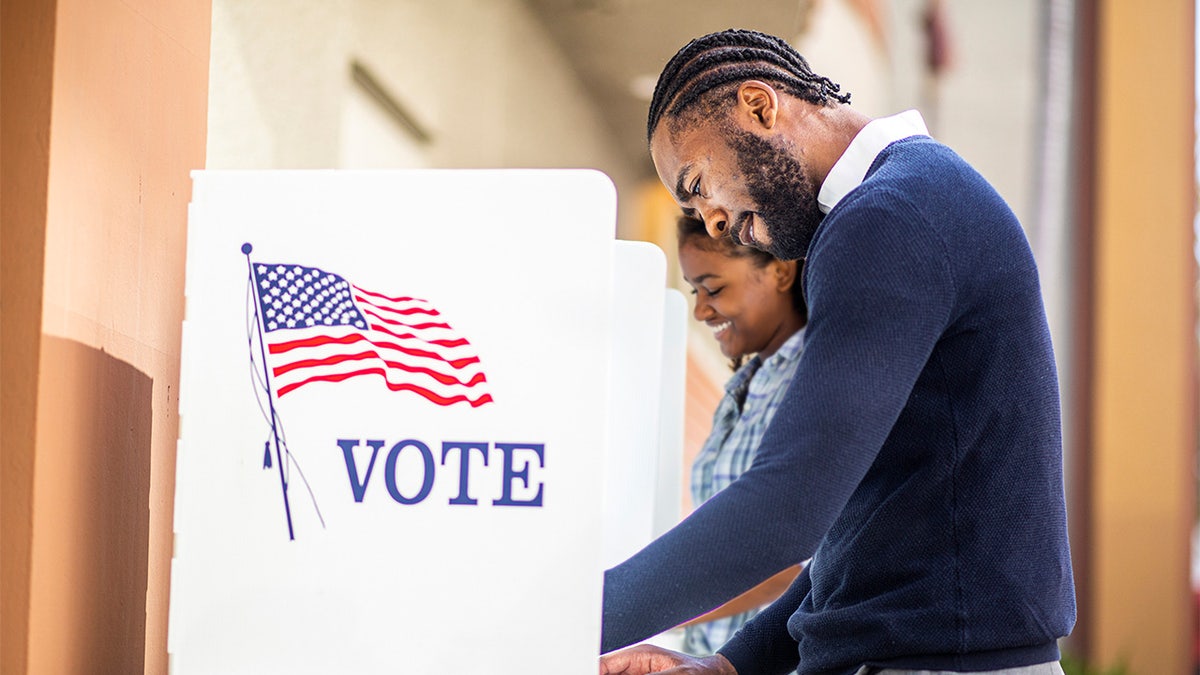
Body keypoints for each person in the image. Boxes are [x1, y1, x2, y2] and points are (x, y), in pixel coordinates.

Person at [599, 28, 1075, 675]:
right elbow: (863, 527)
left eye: (699, 183)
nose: (711, 220)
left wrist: (569, 614)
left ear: (760, 107)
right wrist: (728, 665)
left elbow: (788, 503)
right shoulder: (909, 201)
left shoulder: (890, 215)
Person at [674, 214, 807, 657]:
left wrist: (659, 608)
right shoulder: (748, 382)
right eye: (695, 291)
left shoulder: (811, 383)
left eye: (713, 288)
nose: (699, 310)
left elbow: (797, 565)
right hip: (713, 655)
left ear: (780, 271)